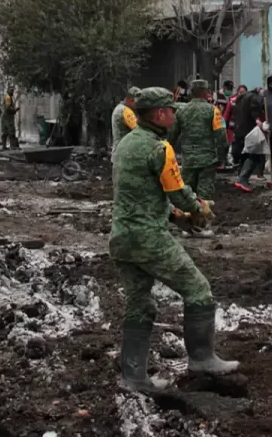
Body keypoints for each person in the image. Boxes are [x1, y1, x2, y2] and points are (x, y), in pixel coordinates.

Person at [110, 87, 238, 391]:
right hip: (149, 239)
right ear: (159, 114)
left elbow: (139, 194)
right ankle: (202, 358)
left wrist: (175, 217)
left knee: (140, 304)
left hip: (122, 238)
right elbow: (178, 191)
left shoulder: (125, 145)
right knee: (198, 289)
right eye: (170, 110)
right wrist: (199, 209)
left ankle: (133, 377)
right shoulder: (159, 148)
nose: (174, 114)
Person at [170, 79, 227, 203]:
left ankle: (189, 219)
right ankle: (202, 220)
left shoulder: (181, 111)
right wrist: (221, 158)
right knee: (204, 197)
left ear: (191, 92)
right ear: (205, 92)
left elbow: (171, 137)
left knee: (187, 195)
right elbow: (222, 137)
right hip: (208, 161)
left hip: (188, 160)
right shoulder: (213, 111)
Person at [233, 88, 267, 192]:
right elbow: (254, 108)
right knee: (255, 154)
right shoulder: (254, 98)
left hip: (239, 129)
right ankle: (243, 179)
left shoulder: (241, 98)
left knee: (244, 154)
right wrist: (257, 119)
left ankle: (241, 177)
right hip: (249, 131)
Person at [111, 87, 140, 162]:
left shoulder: (120, 108)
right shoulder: (125, 111)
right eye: (138, 102)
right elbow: (140, 130)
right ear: (131, 100)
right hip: (123, 156)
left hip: (120, 154)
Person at [223, 84, 247, 161]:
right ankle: (237, 162)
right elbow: (226, 114)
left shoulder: (249, 101)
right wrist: (223, 125)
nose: (242, 94)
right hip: (234, 129)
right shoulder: (232, 101)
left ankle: (242, 165)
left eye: (244, 92)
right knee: (235, 150)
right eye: (240, 92)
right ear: (237, 92)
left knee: (245, 149)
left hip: (246, 129)